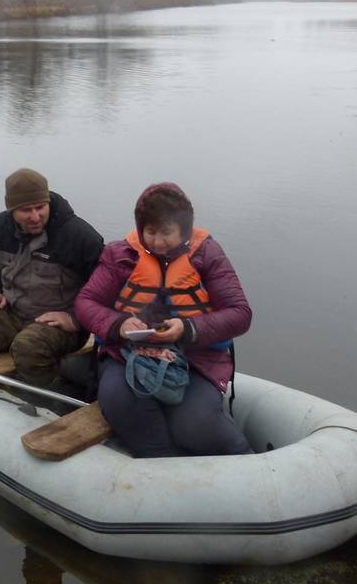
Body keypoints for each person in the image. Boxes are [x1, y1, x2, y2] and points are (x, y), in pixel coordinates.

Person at [74, 183, 253, 458]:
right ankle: (162, 462)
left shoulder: (208, 255)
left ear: (184, 230)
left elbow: (240, 313)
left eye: (166, 233)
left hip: (195, 358)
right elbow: (85, 303)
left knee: (196, 423)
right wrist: (118, 324)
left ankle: (246, 463)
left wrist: (188, 328)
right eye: (151, 232)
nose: (157, 242)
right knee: (120, 400)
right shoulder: (121, 255)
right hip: (126, 355)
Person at [0, 168, 104, 389]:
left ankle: (52, 397)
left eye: (40, 207)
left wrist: (75, 319)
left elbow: (105, 287)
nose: (35, 216)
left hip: (61, 324)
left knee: (28, 348)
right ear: (12, 210)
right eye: (26, 210)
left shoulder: (79, 236)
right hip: (12, 313)